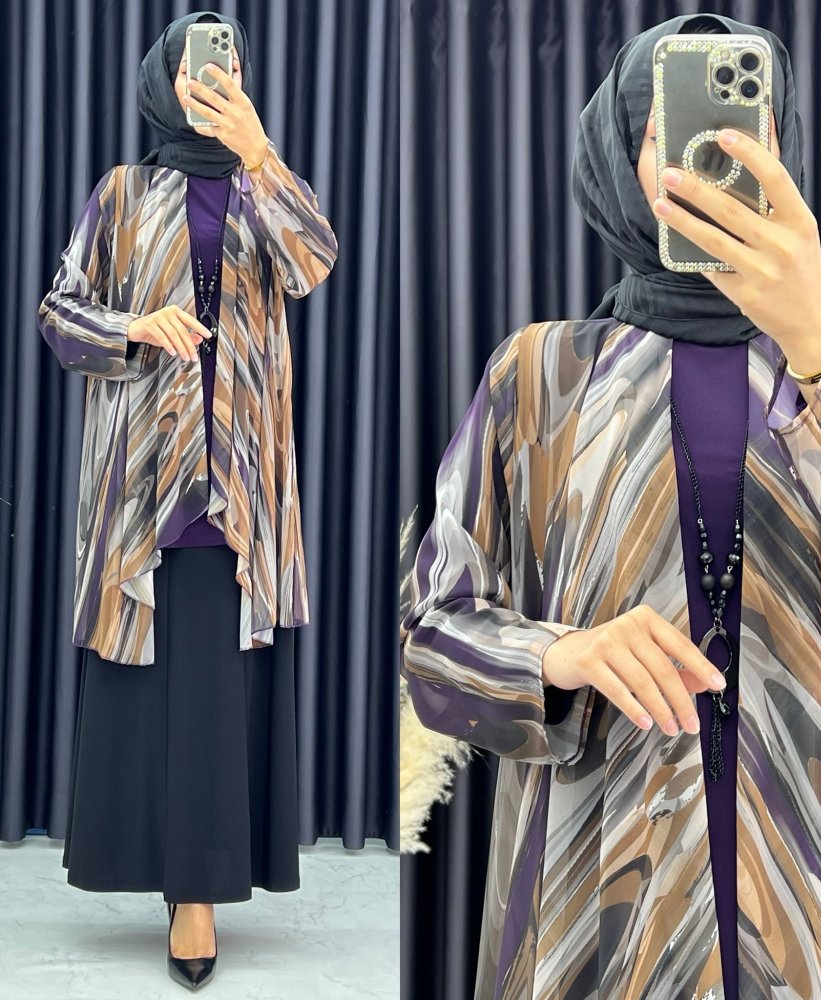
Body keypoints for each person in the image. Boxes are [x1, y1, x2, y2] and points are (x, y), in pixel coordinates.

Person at [399, 12, 821, 999]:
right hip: (601, 881)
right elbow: (430, 640)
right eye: (666, 134)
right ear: (615, 158)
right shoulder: (539, 375)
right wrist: (562, 655)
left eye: (744, 135)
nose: (711, 164)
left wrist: (819, 346)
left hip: (818, 880)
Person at [36, 11, 337, 991]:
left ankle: (198, 893)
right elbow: (59, 312)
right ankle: (164, 873)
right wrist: (134, 326)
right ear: (163, 80)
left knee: (214, 685)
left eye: (230, 62)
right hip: (140, 478)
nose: (217, 75)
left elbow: (313, 264)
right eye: (200, 64)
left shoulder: (261, 185)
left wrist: (260, 153)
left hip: (238, 478)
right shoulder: (123, 192)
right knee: (143, 683)